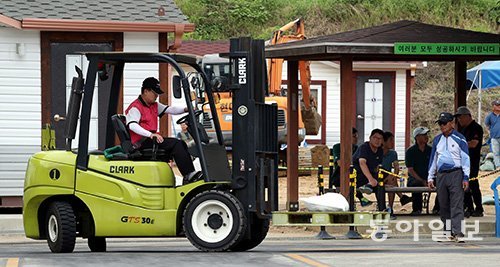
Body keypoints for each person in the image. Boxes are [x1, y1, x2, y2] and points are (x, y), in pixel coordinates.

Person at [125, 77, 201, 184]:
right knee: (176, 144)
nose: (156, 96)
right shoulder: (136, 107)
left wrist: (186, 109)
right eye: (155, 93)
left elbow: (170, 109)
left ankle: (190, 174)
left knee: (181, 144)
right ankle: (189, 175)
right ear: (146, 91)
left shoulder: (153, 105)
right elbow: (132, 125)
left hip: (151, 140)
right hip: (142, 143)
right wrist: (151, 134)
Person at [428, 112, 470, 243]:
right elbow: (433, 159)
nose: (442, 126)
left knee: (456, 203)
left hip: (455, 173)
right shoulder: (437, 140)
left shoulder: (460, 139)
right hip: (441, 175)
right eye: (440, 123)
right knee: (443, 204)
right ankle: (448, 232)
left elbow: (465, 159)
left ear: (452, 123)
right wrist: (430, 177)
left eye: (444, 123)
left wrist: (466, 177)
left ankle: (458, 232)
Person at [455, 106, 484, 217]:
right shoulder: (462, 130)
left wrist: (459, 146)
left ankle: (479, 208)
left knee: (473, 183)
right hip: (462, 161)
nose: (459, 120)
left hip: (473, 160)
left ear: (467, 116)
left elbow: (474, 144)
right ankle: (469, 207)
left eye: (460, 118)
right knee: (463, 184)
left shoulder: (476, 128)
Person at [406, 126, 439, 215]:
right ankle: (417, 209)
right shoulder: (410, 151)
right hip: (415, 178)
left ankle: (437, 208)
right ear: (417, 137)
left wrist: (430, 178)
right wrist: (422, 180)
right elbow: (410, 169)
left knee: (442, 183)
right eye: (423, 135)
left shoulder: (431, 150)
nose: (426, 137)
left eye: (426, 135)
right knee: (415, 184)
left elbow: (435, 165)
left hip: (430, 177)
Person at [381, 131, 411, 218]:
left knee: (392, 182)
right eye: (390, 140)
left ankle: (390, 207)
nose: (392, 143)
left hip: (388, 176)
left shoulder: (393, 153)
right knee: (392, 183)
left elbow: (396, 167)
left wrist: (393, 175)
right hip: (377, 176)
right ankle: (401, 198)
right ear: (384, 141)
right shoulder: (378, 152)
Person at [354, 128, 385, 211]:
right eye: (375, 138)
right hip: (356, 176)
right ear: (370, 138)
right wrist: (371, 179)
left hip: (370, 176)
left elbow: (377, 167)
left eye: (379, 139)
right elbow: (362, 163)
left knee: (381, 186)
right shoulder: (364, 147)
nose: (377, 140)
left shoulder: (380, 151)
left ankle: (382, 209)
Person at [484, 100, 500, 169]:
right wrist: (490, 132)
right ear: (493, 106)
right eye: (497, 105)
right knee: (496, 153)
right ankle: (498, 166)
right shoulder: (489, 116)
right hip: (494, 137)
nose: (499, 106)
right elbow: (487, 125)